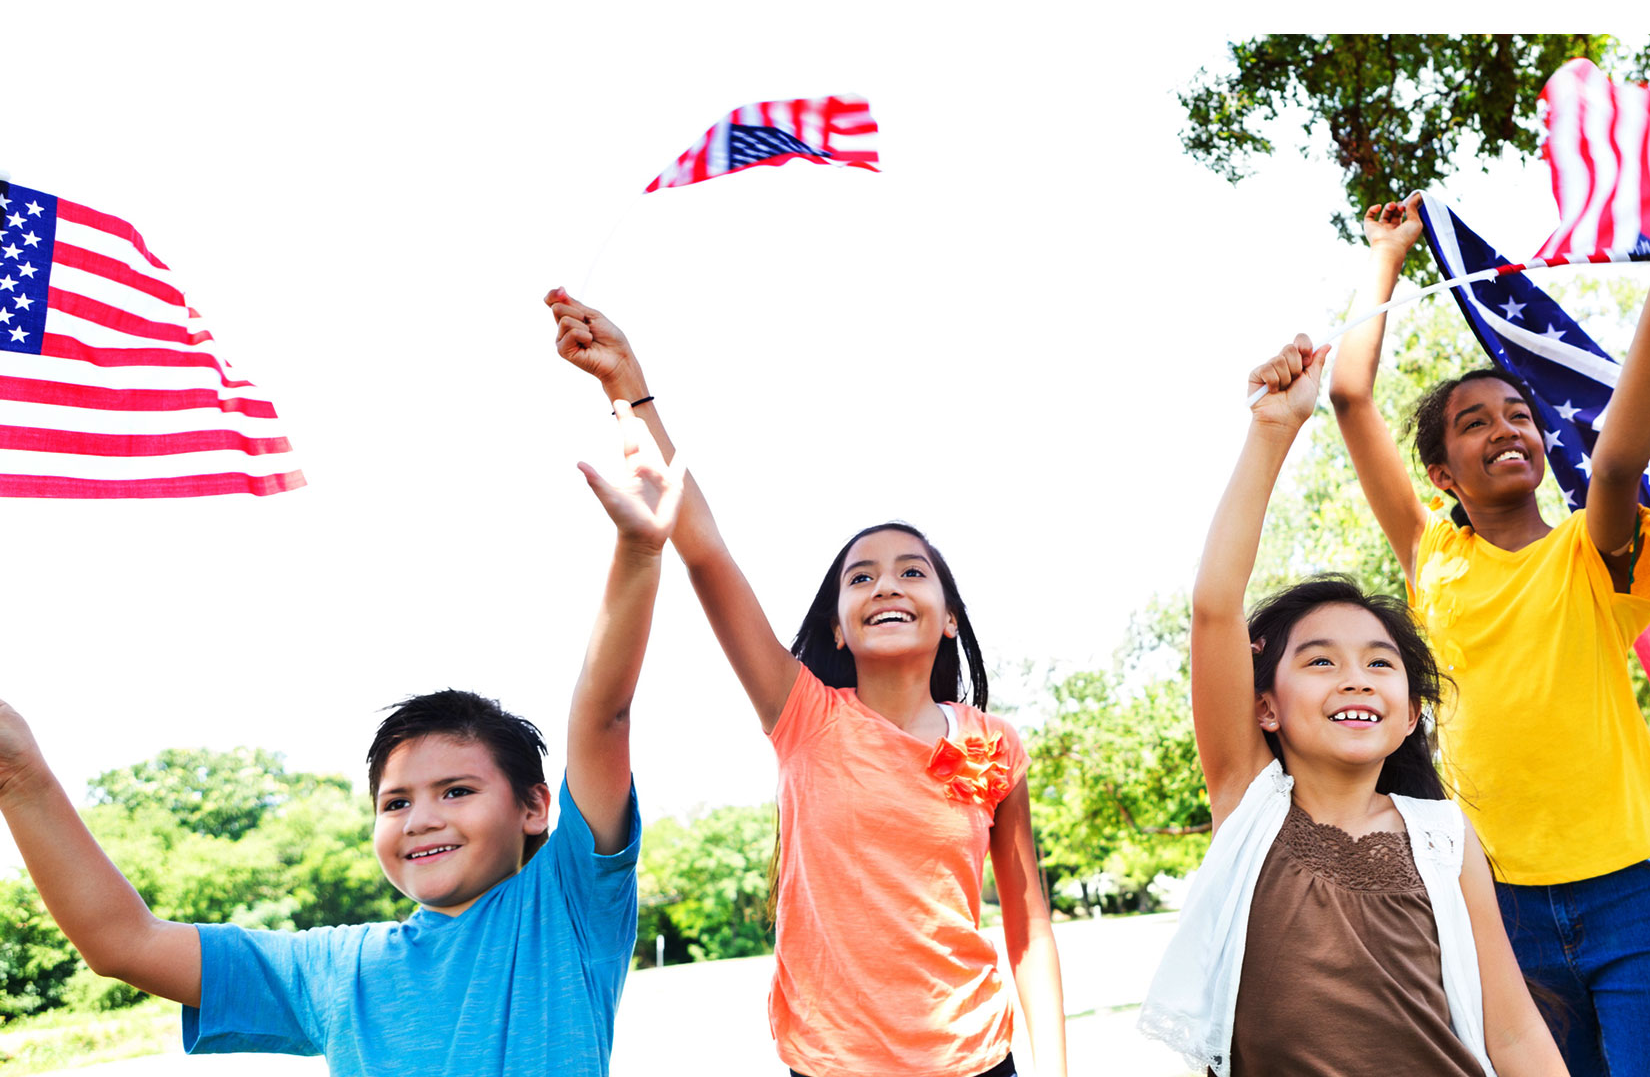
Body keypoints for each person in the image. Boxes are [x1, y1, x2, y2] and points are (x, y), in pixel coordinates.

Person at [0, 400, 682, 1075]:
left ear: (535, 806)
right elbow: (124, 941)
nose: (421, 819)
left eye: (457, 789)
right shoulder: (337, 968)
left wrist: (639, 553)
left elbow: (602, 716)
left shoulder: (566, 904)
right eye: (395, 803)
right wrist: (20, 774)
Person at [1324, 186, 1650, 1075]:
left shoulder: (1596, 549)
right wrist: (1385, 255)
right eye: (1476, 423)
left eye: (1520, 417)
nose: (1508, 429)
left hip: (1635, 891)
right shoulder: (1433, 556)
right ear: (1441, 471)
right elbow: (1350, 397)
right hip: (1494, 901)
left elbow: (1620, 453)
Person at [545, 290, 1067, 1077]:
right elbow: (707, 550)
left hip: (976, 1061)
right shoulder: (804, 716)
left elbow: (1027, 921)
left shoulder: (995, 746)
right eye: (861, 577)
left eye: (911, 571)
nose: (887, 585)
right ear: (837, 626)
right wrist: (629, 387)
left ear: (949, 618)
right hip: (830, 1065)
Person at [1140, 337, 1566, 1077]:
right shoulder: (1250, 803)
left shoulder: (1443, 837)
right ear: (1265, 707)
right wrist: (1273, 430)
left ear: (1409, 716)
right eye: (1319, 661)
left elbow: (1515, 1031)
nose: (1356, 678)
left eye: (1380, 663)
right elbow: (1215, 609)